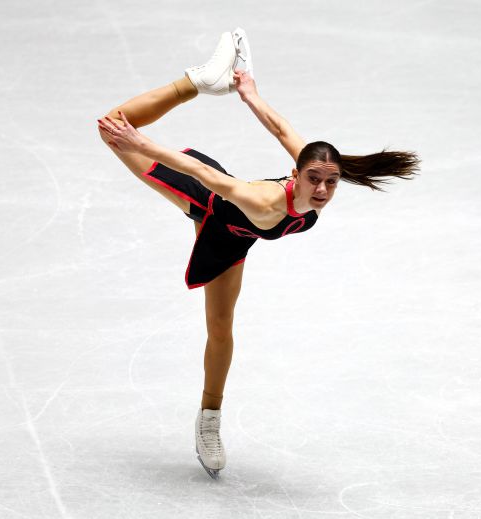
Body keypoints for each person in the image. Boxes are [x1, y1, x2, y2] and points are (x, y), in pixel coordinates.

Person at [97, 28, 420, 479]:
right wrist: (141, 145)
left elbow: (283, 129)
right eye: (314, 179)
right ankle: (195, 81)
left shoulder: (313, 171)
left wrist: (250, 94)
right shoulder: (267, 201)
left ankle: (209, 417)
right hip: (209, 201)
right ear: (296, 174)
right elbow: (208, 178)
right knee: (112, 127)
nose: (323, 189)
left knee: (221, 329)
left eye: (330, 180)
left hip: (236, 235)